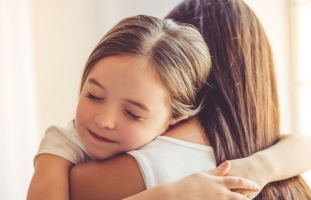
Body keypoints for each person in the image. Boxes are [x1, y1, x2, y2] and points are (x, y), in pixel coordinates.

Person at [68, 0, 311, 200]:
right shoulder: (264, 151)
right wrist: (263, 166)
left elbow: (69, 187)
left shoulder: (169, 155)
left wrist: (54, 154)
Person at [27, 14, 261, 200]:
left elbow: (297, 144)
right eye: (94, 95)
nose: (104, 120)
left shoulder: (185, 146)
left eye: (132, 113)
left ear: (175, 118)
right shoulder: (62, 144)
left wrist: (263, 166)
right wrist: (169, 195)